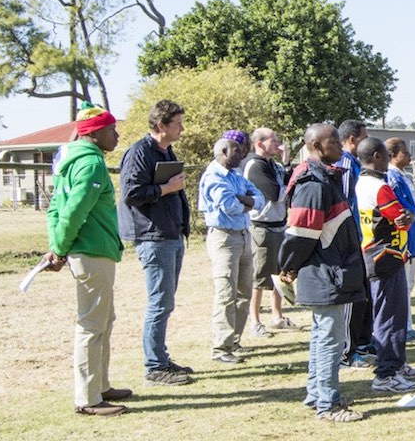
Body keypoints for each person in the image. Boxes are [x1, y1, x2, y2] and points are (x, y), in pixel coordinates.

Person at [278, 123, 366, 423]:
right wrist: (288, 266)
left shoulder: (325, 178)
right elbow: (301, 233)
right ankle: (328, 405)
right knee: (330, 338)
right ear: (316, 146)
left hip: (331, 268)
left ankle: (318, 393)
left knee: (322, 335)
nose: (340, 145)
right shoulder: (313, 183)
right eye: (333, 141)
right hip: (326, 271)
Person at [45, 103, 128, 416]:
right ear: (96, 133)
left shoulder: (71, 161)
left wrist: (57, 244)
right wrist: (60, 248)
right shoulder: (91, 165)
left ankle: (101, 385)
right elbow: (73, 210)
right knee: (92, 326)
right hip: (92, 252)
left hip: (95, 251)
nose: (117, 135)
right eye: (112, 129)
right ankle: (88, 399)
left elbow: (55, 208)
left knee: (104, 321)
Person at [119, 99, 194, 386]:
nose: (182, 129)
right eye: (177, 123)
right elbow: (131, 193)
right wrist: (167, 188)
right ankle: (154, 366)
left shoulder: (166, 150)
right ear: (161, 125)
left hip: (171, 234)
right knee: (159, 302)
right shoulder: (139, 153)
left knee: (166, 301)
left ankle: (161, 358)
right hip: (153, 237)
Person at [356, 137, 415, 394]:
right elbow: (402, 219)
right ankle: (386, 374)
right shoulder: (379, 187)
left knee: (390, 314)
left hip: (373, 256)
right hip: (386, 258)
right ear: (376, 156)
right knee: (390, 317)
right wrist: (412, 216)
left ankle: (397, 363)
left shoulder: (359, 184)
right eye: (384, 153)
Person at [198, 137, 264, 364]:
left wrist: (244, 200)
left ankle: (234, 340)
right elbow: (231, 207)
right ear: (224, 151)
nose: (242, 153)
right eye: (237, 150)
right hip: (224, 238)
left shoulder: (236, 175)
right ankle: (221, 348)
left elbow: (260, 199)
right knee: (226, 293)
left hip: (244, 236)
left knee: (245, 291)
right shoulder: (213, 176)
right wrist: (247, 203)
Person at [244, 128, 294, 339]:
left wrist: (287, 160)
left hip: (279, 224)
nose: (277, 144)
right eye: (273, 141)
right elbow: (275, 193)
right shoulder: (255, 166)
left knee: (279, 273)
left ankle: (277, 316)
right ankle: (255, 321)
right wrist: (288, 187)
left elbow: (290, 182)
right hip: (262, 227)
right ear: (259, 143)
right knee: (260, 275)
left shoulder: (274, 165)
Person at [337, 119, 376, 368]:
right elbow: (344, 205)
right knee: (352, 299)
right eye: (364, 137)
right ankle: (346, 354)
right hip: (350, 242)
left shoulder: (355, 164)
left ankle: (363, 343)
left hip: (362, 239)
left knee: (364, 296)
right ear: (352, 140)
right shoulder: (345, 165)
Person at [385, 138, 415, 340]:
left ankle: (407, 323)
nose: (409, 156)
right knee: (402, 285)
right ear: (393, 155)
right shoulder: (391, 178)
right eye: (405, 152)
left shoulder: (405, 176)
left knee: (409, 284)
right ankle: (403, 325)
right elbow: (402, 209)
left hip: (413, 238)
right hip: (403, 239)